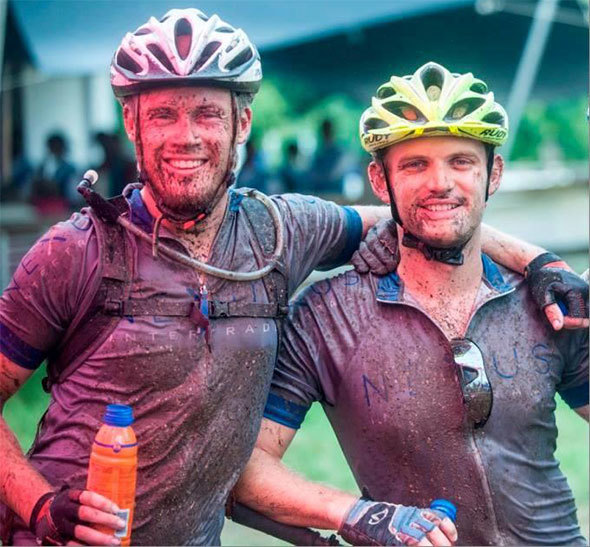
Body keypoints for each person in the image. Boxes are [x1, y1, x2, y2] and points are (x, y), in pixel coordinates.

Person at [0, 14, 582, 545]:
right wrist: (41, 507)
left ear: (241, 122)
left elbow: (423, 214)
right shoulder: (76, 251)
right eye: (163, 114)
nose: (186, 136)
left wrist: (542, 264)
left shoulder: (283, 231)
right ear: (132, 122)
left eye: (207, 113)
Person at [233, 62, 590, 546]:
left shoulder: (543, 300)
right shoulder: (325, 318)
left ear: (494, 173)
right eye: (415, 164)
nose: (439, 182)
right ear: (381, 182)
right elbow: (245, 470)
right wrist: (363, 516)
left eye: (461, 161)